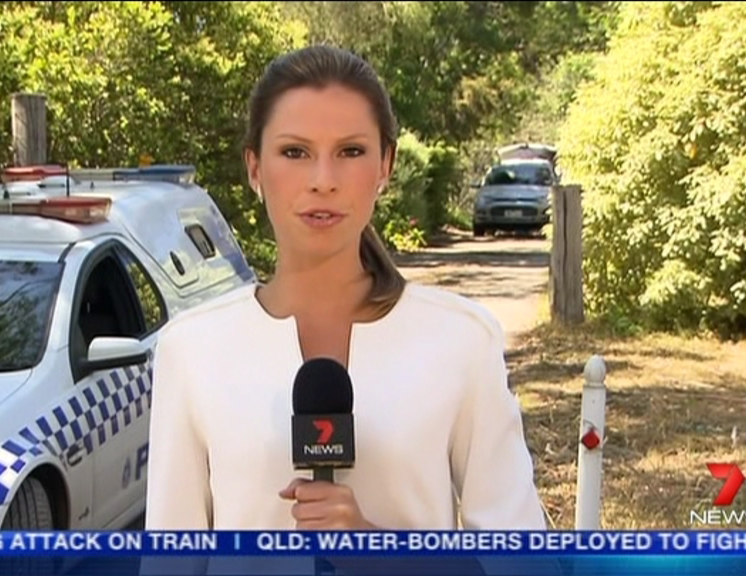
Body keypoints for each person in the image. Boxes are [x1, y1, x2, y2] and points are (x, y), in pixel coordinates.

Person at [144, 44, 546, 532]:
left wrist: (372, 551)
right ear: (254, 168)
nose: (323, 180)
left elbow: (518, 556)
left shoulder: (462, 340)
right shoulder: (191, 349)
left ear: (385, 165)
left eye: (350, 151)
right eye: (295, 152)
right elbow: (171, 558)